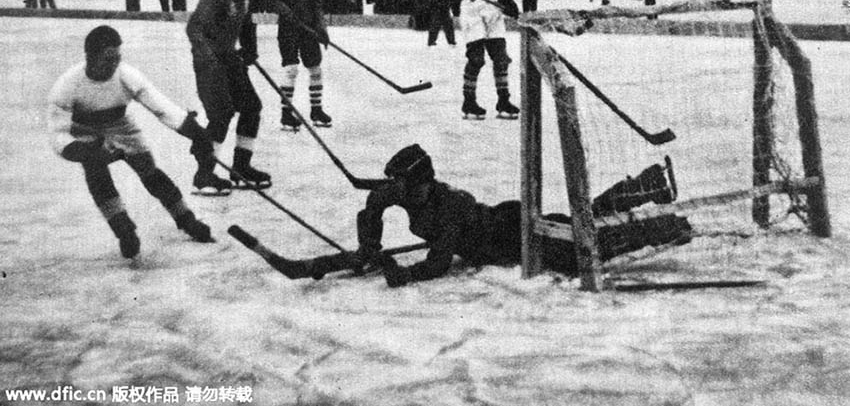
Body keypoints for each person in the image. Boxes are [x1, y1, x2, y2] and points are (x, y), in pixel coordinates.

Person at [269, 144, 690, 286]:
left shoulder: (449, 205)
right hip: (502, 235)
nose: (402, 192)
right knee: (586, 222)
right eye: (398, 186)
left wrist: (406, 274)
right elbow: (373, 207)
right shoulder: (399, 191)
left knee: (589, 243)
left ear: (426, 182)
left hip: (516, 235)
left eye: (408, 186)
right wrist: (369, 248)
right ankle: (651, 185)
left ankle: (667, 220)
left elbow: (438, 262)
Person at [47, 25, 216, 259]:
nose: (113, 65)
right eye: (107, 58)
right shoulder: (67, 85)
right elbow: (58, 134)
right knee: (97, 175)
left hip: (121, 126)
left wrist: (195, 133)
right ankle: (124, 231)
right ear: (90, 57)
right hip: (85, 131)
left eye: (117, 57)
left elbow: (163, 108)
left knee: (151, 174)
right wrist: (85, 152)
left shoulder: (127, 75)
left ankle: (186, 219)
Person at [186, 0, 271, 194]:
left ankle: (241, 167)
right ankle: (204, 174)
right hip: (208, 60)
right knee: (221, 114)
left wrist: (249, 49)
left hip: (229, 57)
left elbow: (246, 23)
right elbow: (194, 28)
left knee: (251, 107)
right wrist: (208, 58)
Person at [258, 0, 331, 130]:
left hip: (308, 30)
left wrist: (321, 28)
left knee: (315, 68)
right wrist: (280, 7)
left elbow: (317, 4)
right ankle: (286, 113)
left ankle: (316, 110)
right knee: (291, 69)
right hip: (288, 30)